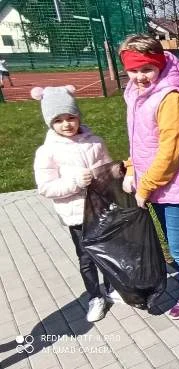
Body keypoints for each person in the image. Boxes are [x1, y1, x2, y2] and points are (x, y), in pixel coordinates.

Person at [119, 34, 179, 331]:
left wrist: (144, 187)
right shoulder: (136, 93)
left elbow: (170, 150)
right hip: (157, 183)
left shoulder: (171, 98)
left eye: (146, 69)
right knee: (176, 247)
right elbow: (140, 140)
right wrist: (132, 168)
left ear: (159, 63)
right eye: (133, 70)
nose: (139, 77)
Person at [32, 85, 113, 322]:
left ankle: (111, 287)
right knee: (87, 257)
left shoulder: (95, 142)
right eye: (58, 120)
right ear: (50, 122)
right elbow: (46, 187)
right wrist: (75, 182)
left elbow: (108, 171)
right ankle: (94, 296)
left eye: (71, 117)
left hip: (101, 209)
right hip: (76, 213)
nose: (66, 124)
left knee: (108, 250)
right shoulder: (47, 152)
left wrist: (108, 176)